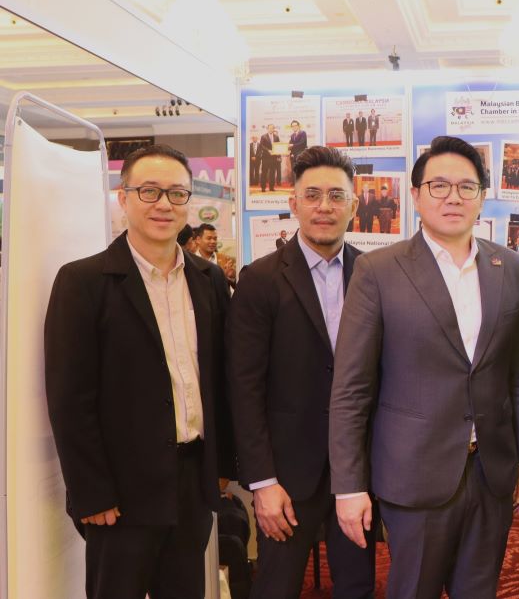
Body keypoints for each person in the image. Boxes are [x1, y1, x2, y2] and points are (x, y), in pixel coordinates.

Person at [330, 135, 519, 599]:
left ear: (482, 197)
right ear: (416, 195)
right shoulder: (379, 271)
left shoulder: (510, 266)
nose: (453, 197)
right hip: (413, 473)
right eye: (439, 185)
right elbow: (351, 388)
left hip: (491, 473)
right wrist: (348, 486)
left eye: (466, 187)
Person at [44, 144, 235, 598]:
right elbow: (69, 398)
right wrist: (91, 492)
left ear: (189, 202)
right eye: (149, 191)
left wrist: (222, 464)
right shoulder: (83, 281)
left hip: (191, 482)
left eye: (176, 193)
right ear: (123, 198)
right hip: (120, 491)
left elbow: (220, 378)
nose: (164, 204)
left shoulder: (208, 279)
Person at [228, 146, 375, 599]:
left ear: (354, 205)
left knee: (358, 587)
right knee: (276, 587)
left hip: (359, 471)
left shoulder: (373, 275)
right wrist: (263, 483)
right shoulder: (261, 279)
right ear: (294, 203)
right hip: (287, 478)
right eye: (312, 195)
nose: (324, 206)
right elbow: (243, 387)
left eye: (336, 195)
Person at [260, 124, 280, 192]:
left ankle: (271, 187)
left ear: (274, 129)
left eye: (272, 128)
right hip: (265, 157)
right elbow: (261, 146)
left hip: (273, 157)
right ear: (267, 129)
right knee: (264, 173)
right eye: (270, 128)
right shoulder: (263, 136)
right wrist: (268, 150)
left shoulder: (276, 137)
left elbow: (278, 146)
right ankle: (263, 187)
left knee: (272, 173)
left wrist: (278, 156)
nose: (271, 129)